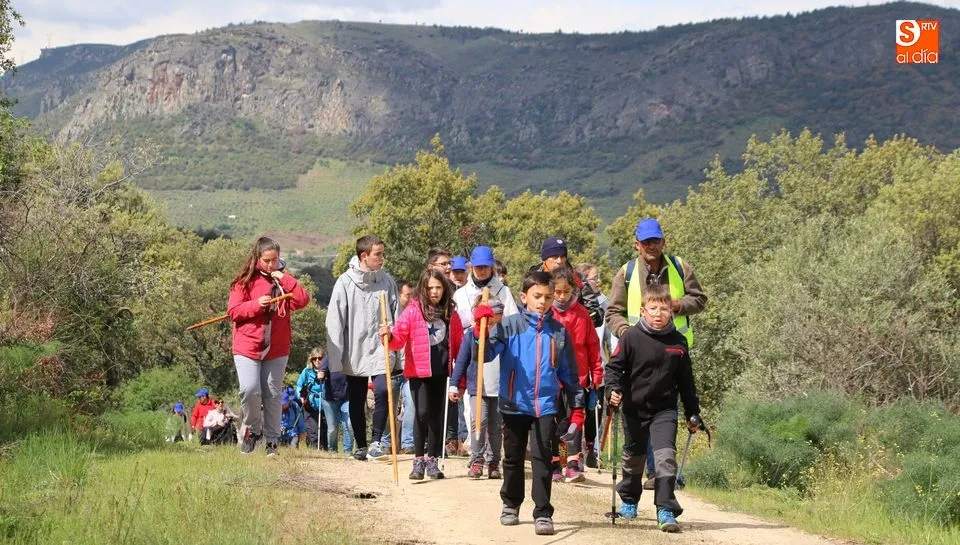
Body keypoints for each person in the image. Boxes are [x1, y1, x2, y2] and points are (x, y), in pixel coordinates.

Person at [479, 270, 584, 536]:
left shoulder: (558, 332)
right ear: (524, 297)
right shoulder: (508, 326)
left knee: (543, 459)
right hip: (514, 403)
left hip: (545, 405)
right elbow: (485, 354)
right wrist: (481, 330)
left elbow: (570, 374)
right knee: (513, 458)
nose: (543, 302)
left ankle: (543, 512)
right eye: (537, 296)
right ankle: (510, 504)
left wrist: (577, 407)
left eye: (548, 297)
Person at [604, 218, 707, 488]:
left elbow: (700, 299)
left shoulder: (679, 266)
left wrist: (677, 304)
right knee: (640, 408)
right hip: (636, 352)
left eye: (656, 241)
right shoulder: (626, 272)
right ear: (636, 244)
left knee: (666, 408)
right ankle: (642, 473)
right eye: (646, 242)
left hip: (673, 350)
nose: (651, 246)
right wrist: (627, 334)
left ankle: (658, 473)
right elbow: (612, 312)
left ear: (663, 242)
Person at [603, 284, 703, 533]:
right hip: (634, 407)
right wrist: (612, 390)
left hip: (664, 410)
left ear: (672, 311)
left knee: (665, 457)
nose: (658, 313)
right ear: (643, 311)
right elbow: (614, 368)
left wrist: (693, 412)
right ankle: (629, 500)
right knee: (633, 457)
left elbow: (686, 382)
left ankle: (666, 509)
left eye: (664, 309)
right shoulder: (631, 337)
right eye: (653, 308)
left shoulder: (678, 342)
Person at [227, 236, 311, 456]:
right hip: (247, 345)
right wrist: (256, 304)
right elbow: (233, 312)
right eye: (267, 260)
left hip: (277, 347)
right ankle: (254, 431)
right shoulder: (244, 281)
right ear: (257, 258)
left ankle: (272, 441)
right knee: (249, 389)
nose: (271, 264)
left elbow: (302, 300)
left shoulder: (283, 280)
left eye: (275, 260)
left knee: (273, 394)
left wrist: (285, 278)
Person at [380, 268, 463, 479]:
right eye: (430, 288)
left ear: (445, 289)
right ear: (423, 289)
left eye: (438, 287)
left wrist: (460, 378)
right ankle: (418, 460)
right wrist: (388, 336)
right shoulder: (413, 310)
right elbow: (398, 340)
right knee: (422, 413)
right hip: (419, 372)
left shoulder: (450, 313)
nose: (434, 292)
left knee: (436, 416)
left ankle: (432, 460)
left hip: (441, 372)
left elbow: (460, 346)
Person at [325, 234, 400, 461]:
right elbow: (334, 322)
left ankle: (376, 442)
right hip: (354, 349)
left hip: (381, 347)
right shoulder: (345, 282)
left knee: (383, 391)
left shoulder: (387, 281)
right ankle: (361, 445)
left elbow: (397, 316)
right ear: (364, 255)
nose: (382, 258)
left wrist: (397, 344)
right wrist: (336, 359)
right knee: (356, 398)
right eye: (378, 254)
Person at [451, 246, 519, 470]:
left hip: (497, 359)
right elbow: (456, 326)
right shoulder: (460, 294)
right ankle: (476, 456)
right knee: (474, 414)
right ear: (471, 267)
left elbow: (513, 325)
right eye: (478, 267)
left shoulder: (504, 292)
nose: (481, 271)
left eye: (485, 267)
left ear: (492, 267)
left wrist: (494, 327)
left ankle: (493, 459)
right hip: (472, 356)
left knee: (495, 420)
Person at [548, 266, 602, 484]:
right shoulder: (546, 313)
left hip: (577, 375)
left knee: (575, 418)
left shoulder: (582, 313)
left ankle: (573, 463)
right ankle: (556, 462)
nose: (562, 296)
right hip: (551, 377)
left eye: (566, 292)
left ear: (574, 291)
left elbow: (592, 345)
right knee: (556, 420)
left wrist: (596, 371)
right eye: (558, 292)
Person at [449, 295, 506, 479]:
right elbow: (462, 361)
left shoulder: (505, 334)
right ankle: (477, 460)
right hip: (478, 388)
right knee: (479, 423)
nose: (490, 321)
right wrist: (454, 384)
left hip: (499, 389)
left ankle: (493, 461)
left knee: (496, 428)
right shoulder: (471, 336)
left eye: (495, 316)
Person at [575, 263, 613, 469]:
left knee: (594, 412)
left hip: (598, 367)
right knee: (575, 411)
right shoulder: (575, 303)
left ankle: (591, 449)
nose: (598, 282)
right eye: (594, 278)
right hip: (577, 367)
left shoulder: (605, 304)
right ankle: (572, 454)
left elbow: (611, 338)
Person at [531, 237, 604, 328]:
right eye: (555, 257)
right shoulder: (533, 278)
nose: (559, 261)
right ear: (545, 258)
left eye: (562, 256)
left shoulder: (577, 279)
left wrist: (583, 320)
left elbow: (596, 314)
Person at [319, 352, 354, 454]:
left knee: (349, 424)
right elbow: (321, 371)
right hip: (330, 398)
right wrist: (321, 374)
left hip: (347, 397)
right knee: (332, 428)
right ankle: (332, 449)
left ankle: (348, 451)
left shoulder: (351, 356)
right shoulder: (329, 357)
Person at [296, 348, 326, 449]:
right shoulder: (307, 371)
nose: (317, 360)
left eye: (320, 358)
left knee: (325, 431)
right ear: (311, 359)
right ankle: (313, 449)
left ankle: (326, 451)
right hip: (310, 403)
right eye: (314, 358)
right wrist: (301, 397)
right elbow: (299, 385)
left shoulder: (328, 371)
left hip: (325, 404)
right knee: (312, 431)